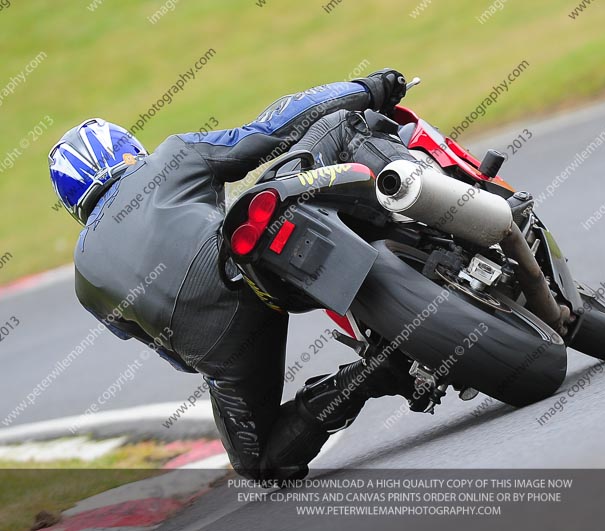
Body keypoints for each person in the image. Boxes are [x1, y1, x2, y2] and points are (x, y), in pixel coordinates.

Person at [48, 69, 424, 481]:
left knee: (260, 463)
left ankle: (372, 374)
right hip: (253, 264)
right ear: (126, 150)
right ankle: (440, 200)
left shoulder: (84, 278)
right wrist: (367, 90)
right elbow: (270, 131)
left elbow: (174, 358)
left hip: (217, 346)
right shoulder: (170, 156)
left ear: (72, 201)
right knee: (338, 125)